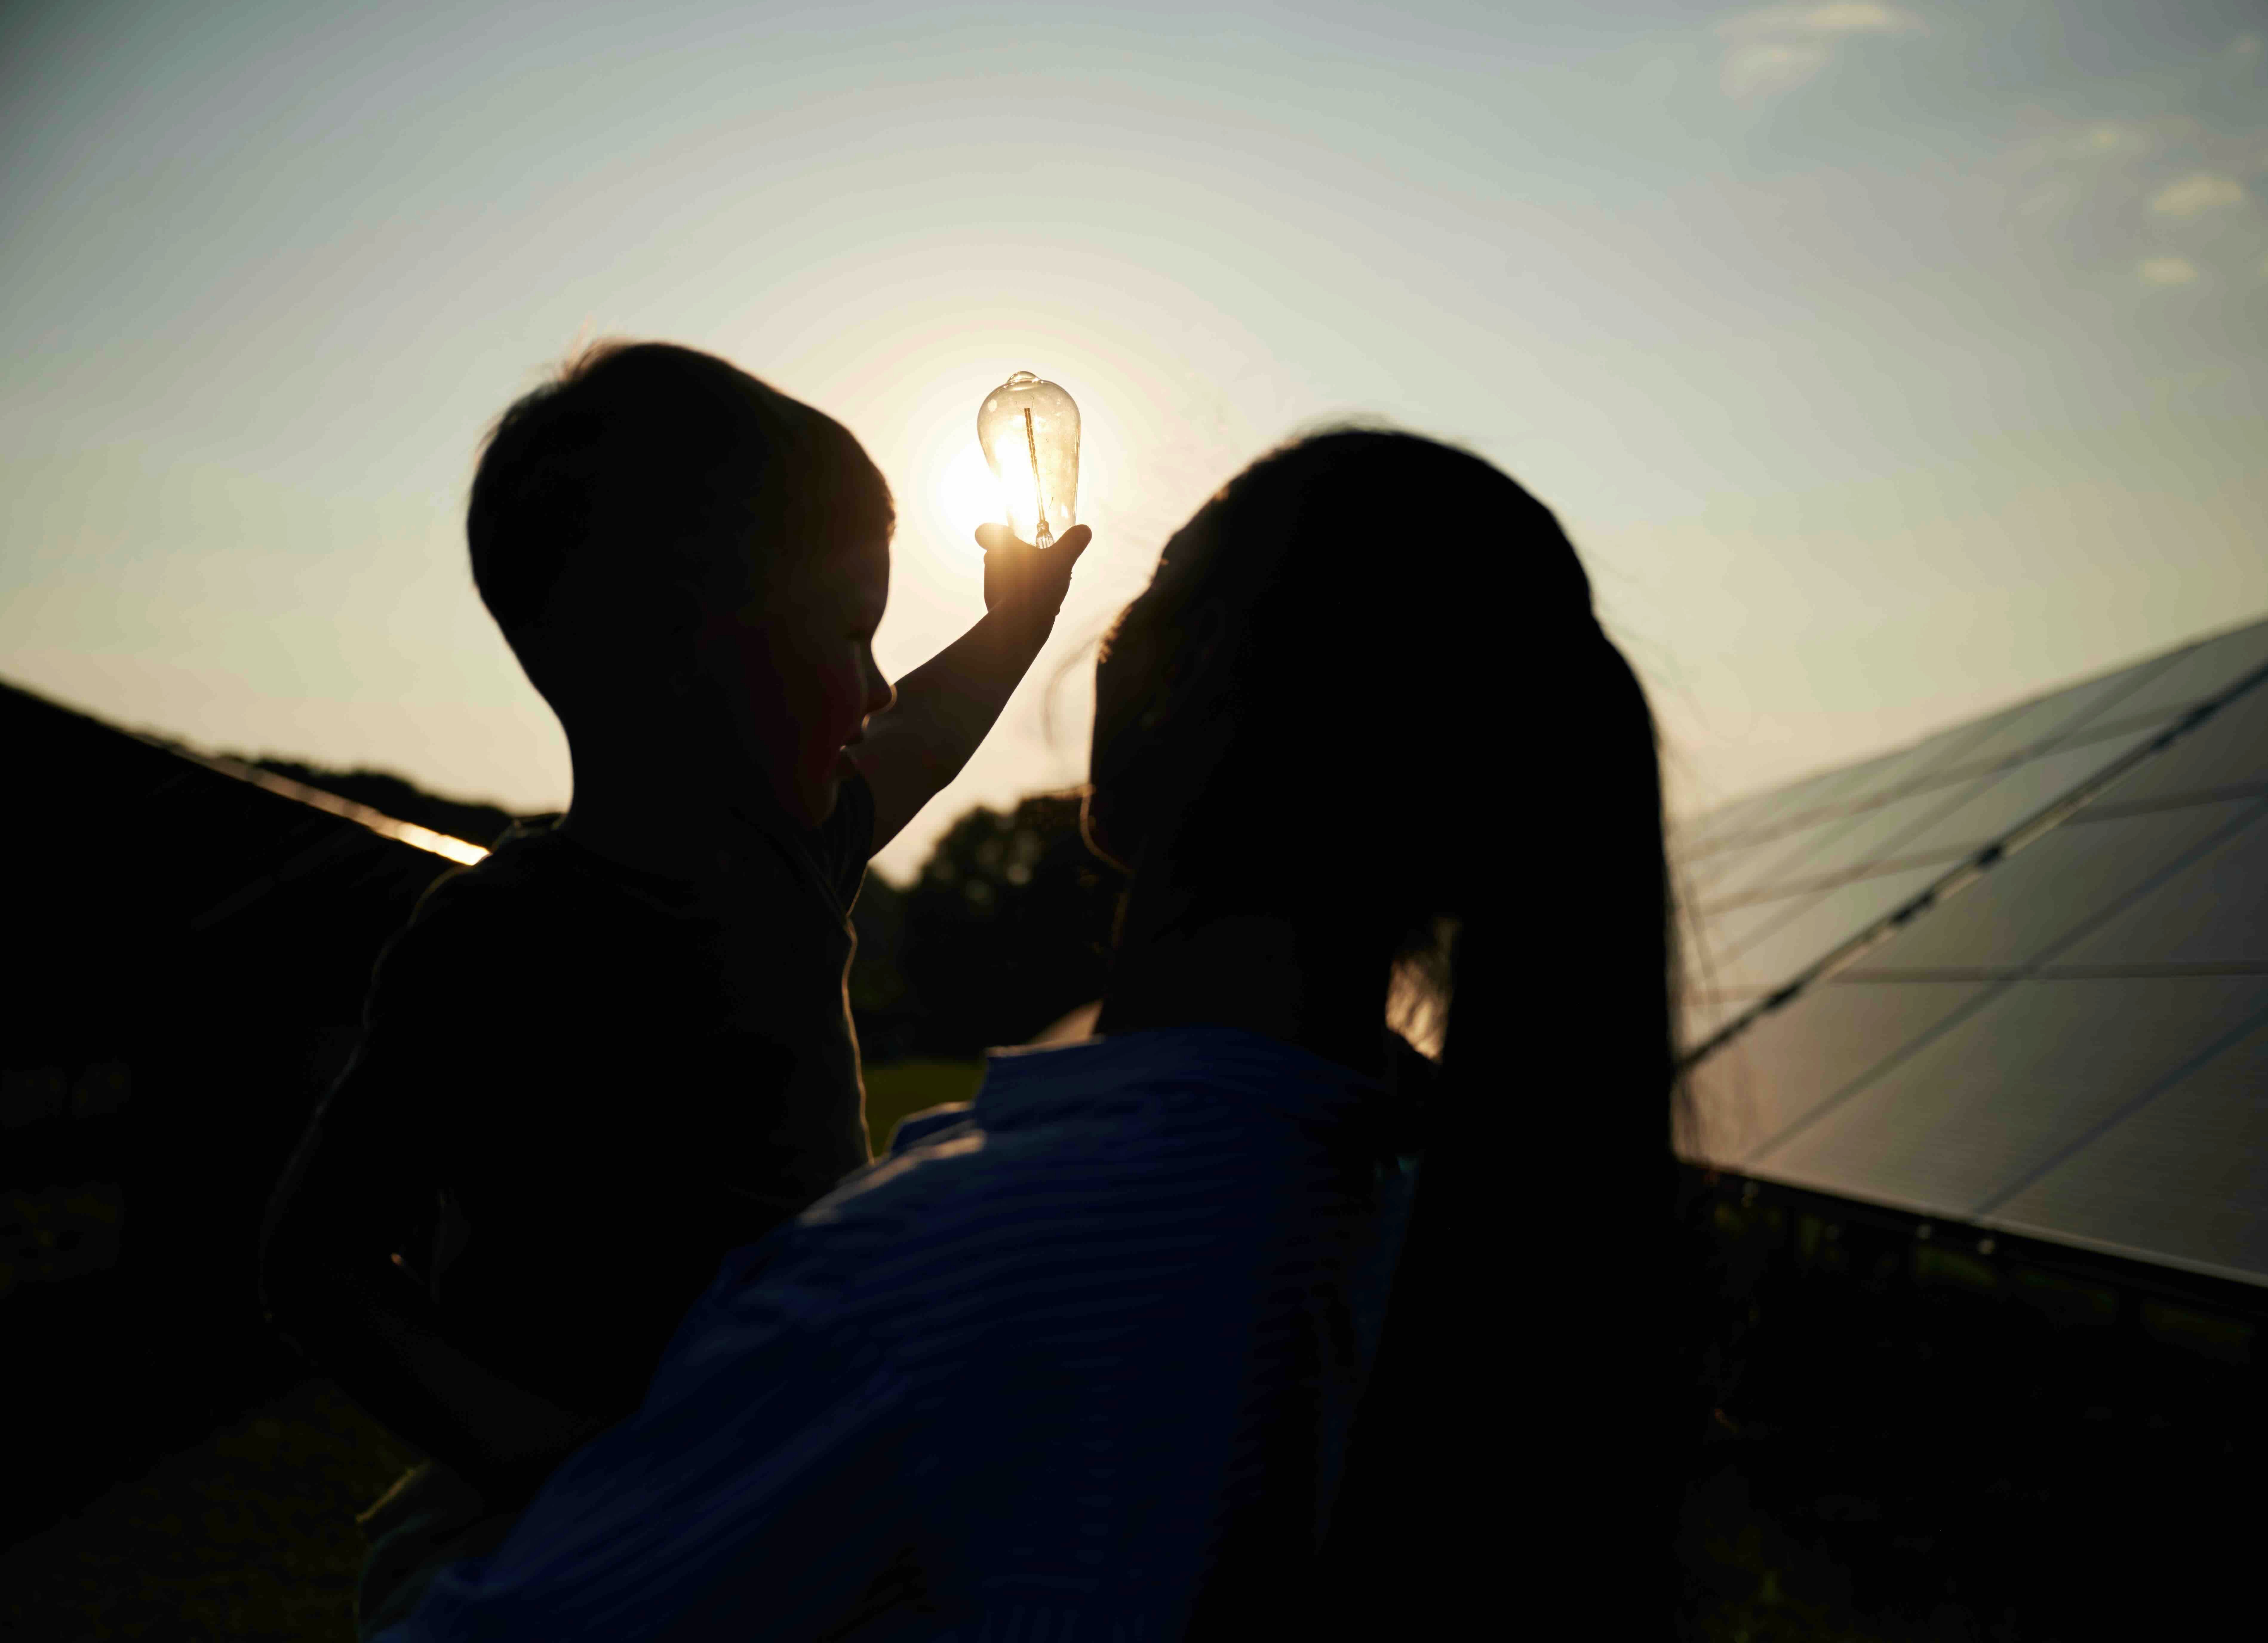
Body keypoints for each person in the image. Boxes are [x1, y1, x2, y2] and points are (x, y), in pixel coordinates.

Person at [366, 429, 1694, 1640]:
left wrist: (469, 1530)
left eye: (1161, 579)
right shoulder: (1482, 1236)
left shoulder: (940, 1272)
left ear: (1170, 693)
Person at [256, 340, 1093, 1638]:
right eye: (850, 630)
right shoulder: (499, 934)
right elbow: (317, 1259)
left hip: (774, 1478)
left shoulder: (789, 853)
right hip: (566, 1533)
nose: (878, 686)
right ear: (683, 639)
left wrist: (1014, 624)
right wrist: (556, 1456)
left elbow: (919, 732)